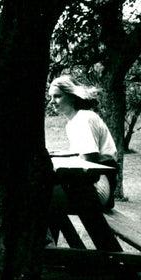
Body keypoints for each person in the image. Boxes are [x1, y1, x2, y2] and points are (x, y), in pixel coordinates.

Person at [48, 75, 118, 209]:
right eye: (50, 97)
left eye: (57, 96)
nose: (52, 101)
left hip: (99, 186)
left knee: (38, 195)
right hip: (89, 184)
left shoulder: (84, 118)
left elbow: (89, 160)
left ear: (72, 96)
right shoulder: (72, 123)